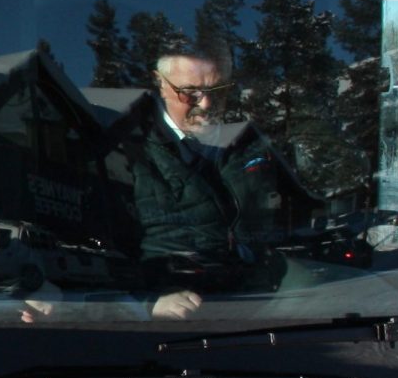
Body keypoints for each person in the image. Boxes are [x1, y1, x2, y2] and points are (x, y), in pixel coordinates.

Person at [117, 45, 313, 308]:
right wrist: (150, 299)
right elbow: (100, 253)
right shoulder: (127, 149)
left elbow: (290, 216)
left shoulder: (250, 144)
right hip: (181, 316)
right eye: (189, 92)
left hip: (258, 296)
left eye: (216, 91)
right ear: (161, 85)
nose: (206, 103)